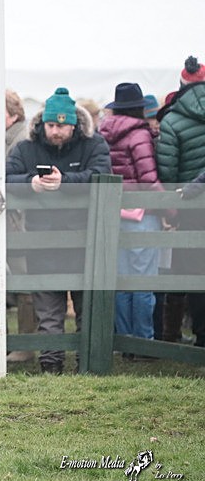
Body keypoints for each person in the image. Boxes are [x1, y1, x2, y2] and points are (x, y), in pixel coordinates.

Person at [5, 87, 111, 374]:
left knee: (86, 305)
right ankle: (51, 364)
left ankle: (88, 362)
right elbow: (6, 177)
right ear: (43, 123)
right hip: (43, 241)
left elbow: (103, 174)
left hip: (85, 240)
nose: (56, 131)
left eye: (62, 125)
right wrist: (30, 183)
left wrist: (67, 181)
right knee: (48, 308)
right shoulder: (26, 147)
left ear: (74, 124)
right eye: (52, 125)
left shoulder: (94, 144)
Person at [99, 83, 164, 349]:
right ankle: (143, 342)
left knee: (121, 282)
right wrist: (171, 209)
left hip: (113, 213)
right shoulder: (139, 134)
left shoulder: (102, 133)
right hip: (142, 214)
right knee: (143, 281)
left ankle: (123, 341)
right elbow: (149, 179)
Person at [0, 89, 37, 362]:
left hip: (18, 219)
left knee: (23, 282)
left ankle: (25, 344)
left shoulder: (24, 140)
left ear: (14, 113)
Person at [155, 57, 205, 347]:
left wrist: (172, 209)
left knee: (194, 274)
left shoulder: (172, 120)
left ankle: (201, 338)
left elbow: (168, 171)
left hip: (192, 206)